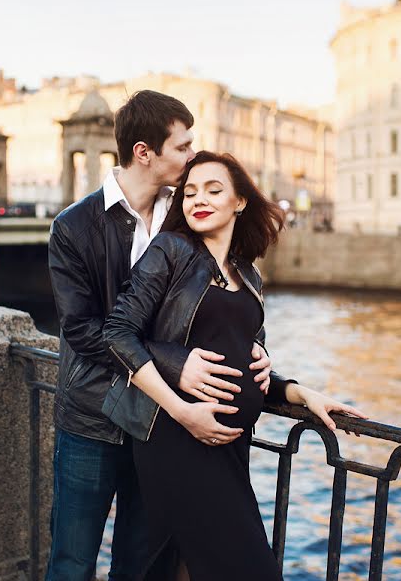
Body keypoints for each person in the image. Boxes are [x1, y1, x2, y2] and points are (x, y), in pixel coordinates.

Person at [103, 151, 368, 581]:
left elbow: (243, 366)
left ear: (239, 201)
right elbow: (116, 333)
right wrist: (183, 411)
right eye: (189, 192)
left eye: (212, 189)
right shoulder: (171, 250)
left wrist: (300, 393)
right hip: (175, 438)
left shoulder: (249, 276)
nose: (197, 200)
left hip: (230, 448)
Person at [46, 91, 274, 581]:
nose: (192, 157)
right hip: (93, 416)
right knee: (72, 559)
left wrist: (258, 353)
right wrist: (175, 363)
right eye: (183, 147)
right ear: (145, 153)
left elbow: (213, 307)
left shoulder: (187, 216)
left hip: (162, 428)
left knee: (140, 566)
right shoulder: (73, 226)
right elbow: (85, 331)